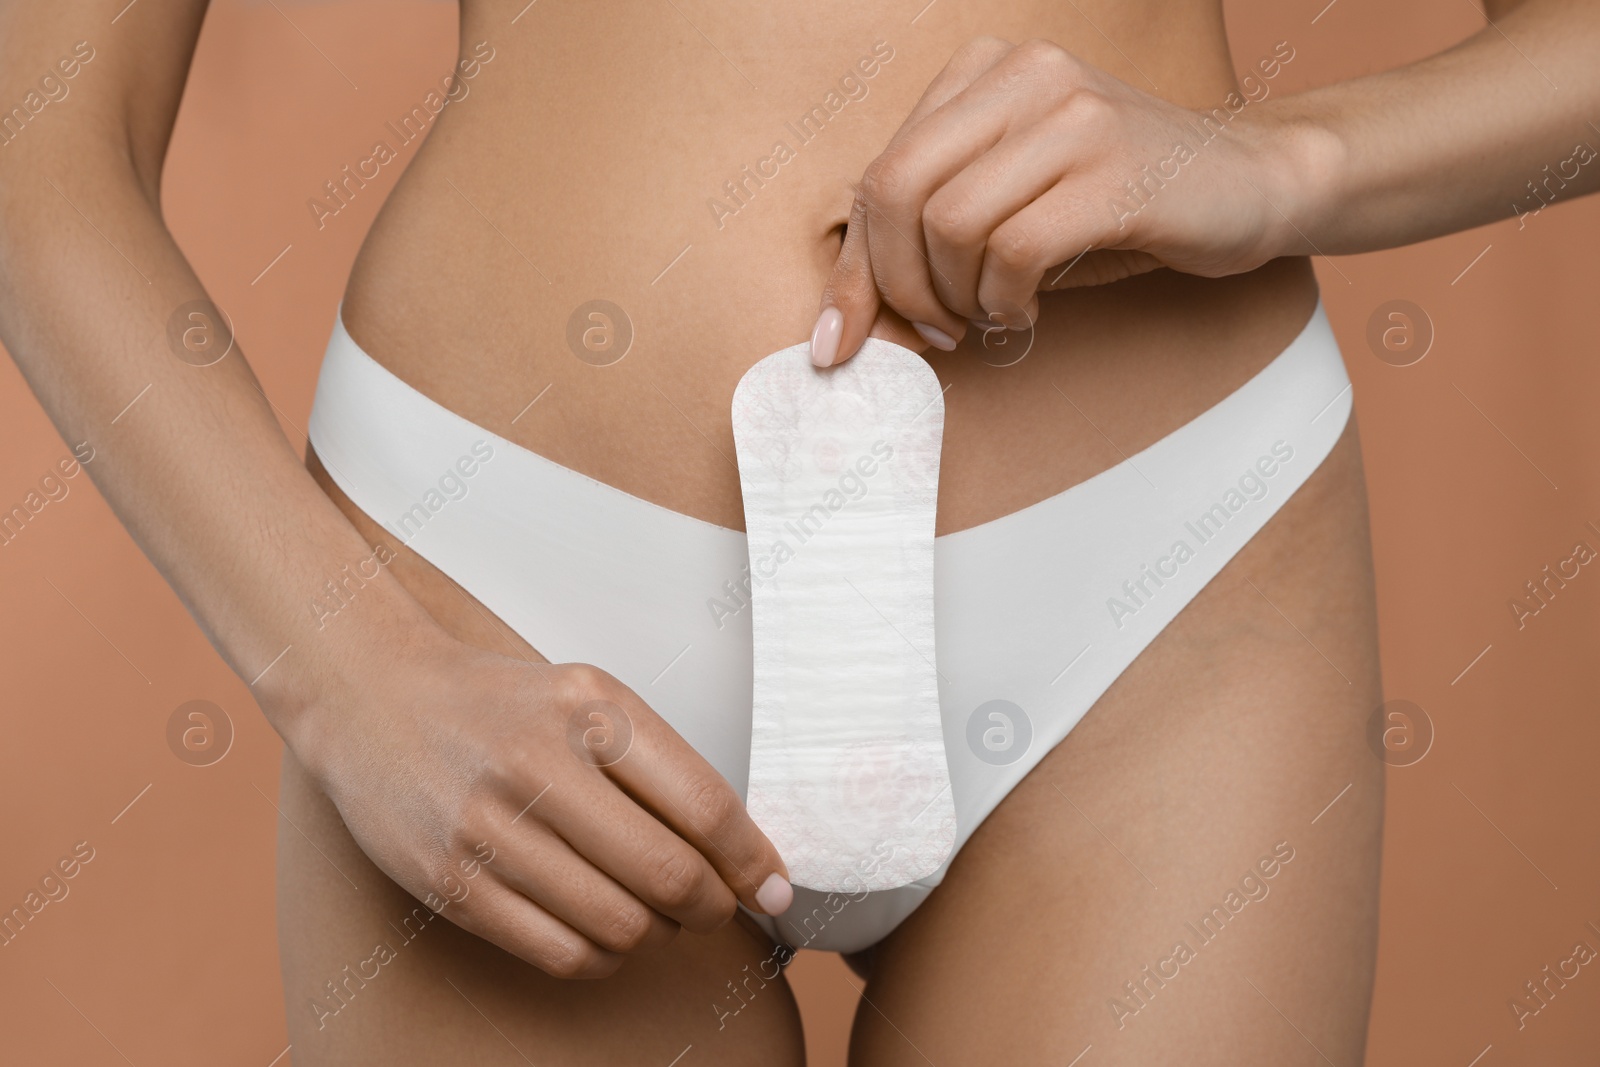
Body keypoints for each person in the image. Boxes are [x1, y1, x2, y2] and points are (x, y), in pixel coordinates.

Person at [0, 1, 1595, 1063]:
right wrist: (344, 672)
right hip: (496, 606)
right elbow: (35, 140)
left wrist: (1287, 162)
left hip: (1166, 582)